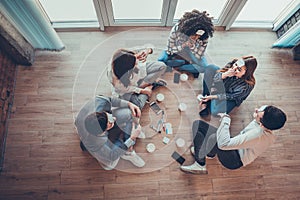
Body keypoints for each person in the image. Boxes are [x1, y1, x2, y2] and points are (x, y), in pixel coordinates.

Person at [180, 105, 287, 174]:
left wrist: (226, 119)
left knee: (214, 138)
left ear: (263, 125)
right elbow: (263, 110)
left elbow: (224, 144)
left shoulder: (257, 135)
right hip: (238, 145)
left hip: (235, 159)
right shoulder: (270, 120)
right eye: (262, 109)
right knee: (198, 125)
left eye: (259, 114)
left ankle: (200, 164)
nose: (257, 109)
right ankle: (209, 154)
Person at [75, 95, 145, 170]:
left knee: (129, 112)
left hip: (93, 129)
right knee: (110, 165)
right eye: (110, 122)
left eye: (109, 116)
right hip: (102, 147)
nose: (114, 118)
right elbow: (111, 156)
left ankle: (132, 132)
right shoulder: (93, 142)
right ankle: (128, 153)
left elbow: (111, 100)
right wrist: (132, 138)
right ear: (101, 133)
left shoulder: (99, 101)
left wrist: (129, 104)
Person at [158, 9, 219, 78]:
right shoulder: (176, 30)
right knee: (161, 61)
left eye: (199, 36)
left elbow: (200, 55)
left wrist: (192, 47)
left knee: (204, 67)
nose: (196, 38)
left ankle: (180, 67)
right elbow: (170, 49)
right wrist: (183, 45)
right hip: (177, 47)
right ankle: (185, 64)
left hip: (192, 51)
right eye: (194, 35)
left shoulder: (205, 35)